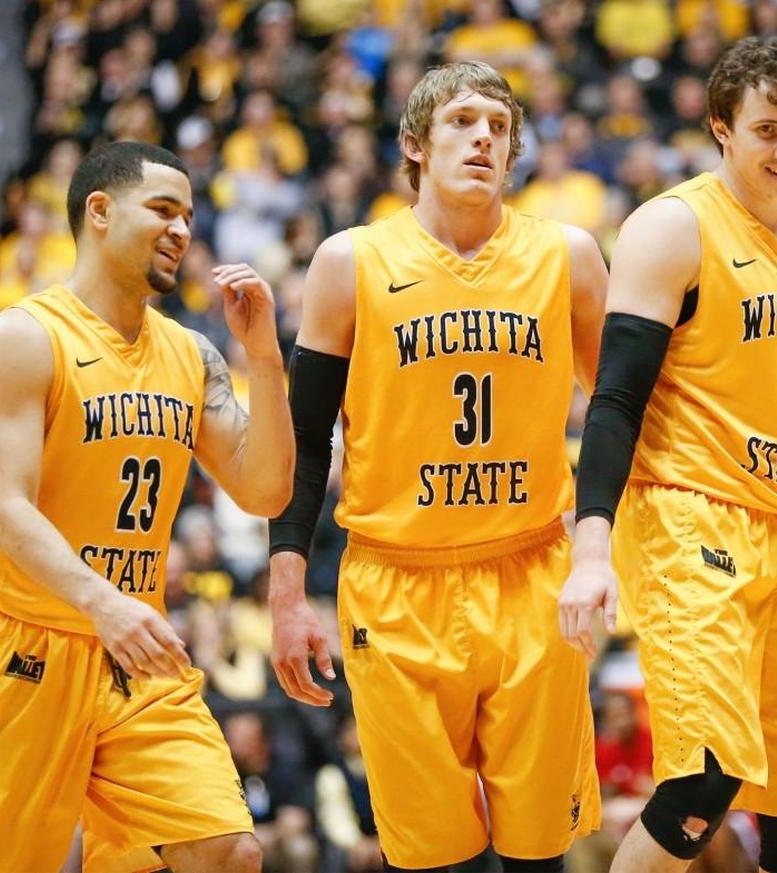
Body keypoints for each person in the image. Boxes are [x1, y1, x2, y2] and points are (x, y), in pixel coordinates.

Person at [558, 36, 777, 873]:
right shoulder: (673, 227)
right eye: (768, 130)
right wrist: (592, 545)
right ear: (722, 126)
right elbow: (613, 400)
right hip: (687, 519)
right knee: (703, 782)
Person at [268, 61, 607, 870]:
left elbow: (626, 414)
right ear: (414, 143)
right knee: (432, 858)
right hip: (395, 586)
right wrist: (285, 593)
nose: (483, 135)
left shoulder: (568, 255)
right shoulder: (348, 262)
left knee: (538, 852)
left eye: (498, 123)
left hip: (531, 573)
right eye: (461, 119)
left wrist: (605, 548)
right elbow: (304, 438)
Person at [0, 141, 294, 872]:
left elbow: (265, 490)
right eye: (162, 208)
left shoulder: (191, 354)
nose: (182, 229)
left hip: (136, 653)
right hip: (24, 643)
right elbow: (5, 508)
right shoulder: (25, 335)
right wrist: (103, 601)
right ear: (98, 210)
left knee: (228, 851)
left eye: (188, 215)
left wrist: (266, 356)